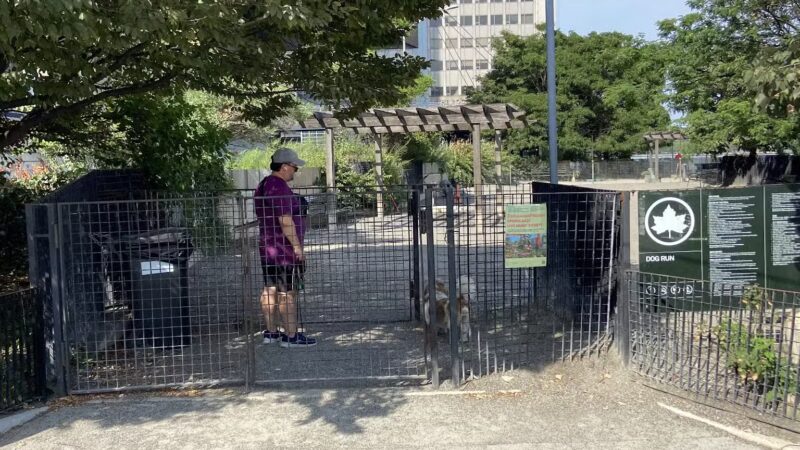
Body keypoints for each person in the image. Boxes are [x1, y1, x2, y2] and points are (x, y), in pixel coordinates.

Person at [254, 148, 316, 348]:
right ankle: (291, 336)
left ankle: (271, 332)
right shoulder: (278, 186)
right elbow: (285, 220)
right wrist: (297, 247)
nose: (295, 171)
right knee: (287, 292)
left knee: (270, 289)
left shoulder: (263, 185)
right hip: (283, 250)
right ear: (284, 166)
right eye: (294, 167)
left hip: (268, 247)